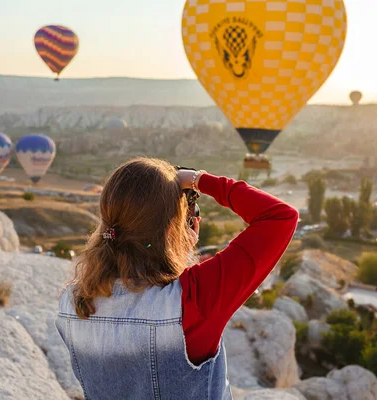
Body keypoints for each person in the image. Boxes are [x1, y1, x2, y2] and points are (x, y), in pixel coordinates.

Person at [56, 157, 298, 400]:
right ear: (174, 228)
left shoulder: (73, 302)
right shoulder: (193, 299)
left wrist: (177, 244)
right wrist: (199, 179)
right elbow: (280, 217)